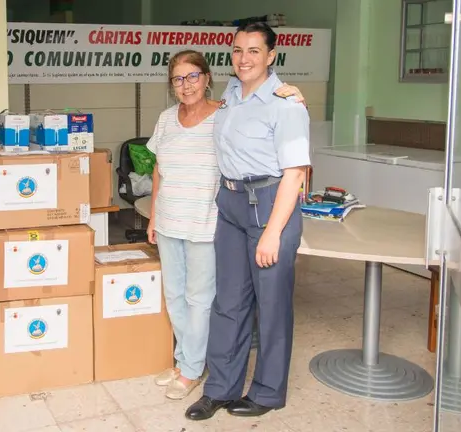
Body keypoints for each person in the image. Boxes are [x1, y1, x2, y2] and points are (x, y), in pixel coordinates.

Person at [146, 50, 307, 401]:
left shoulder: (224, 113)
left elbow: (262, 111)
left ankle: (192, 370)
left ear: (206, 78)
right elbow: (158, 169)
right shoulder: (166, 119)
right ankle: (184, 360)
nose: (186, 85)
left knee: (199, 299)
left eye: (193, 76)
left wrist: (294, 97)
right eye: (178, 79)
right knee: (174, 296)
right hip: (170, 220)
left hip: (205, 222)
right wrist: (154, 216)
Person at [185, 22, 311, 422]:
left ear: (271, 56)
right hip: (232, 204)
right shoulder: (231, 93)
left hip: (271, 204)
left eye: (254, 51)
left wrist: (273, 232)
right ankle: (220, 389)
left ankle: (268, 392)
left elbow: (295, 172)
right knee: (228, 301)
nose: (244, 59)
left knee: (271, 305)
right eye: (238, 50)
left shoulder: (286, 104)